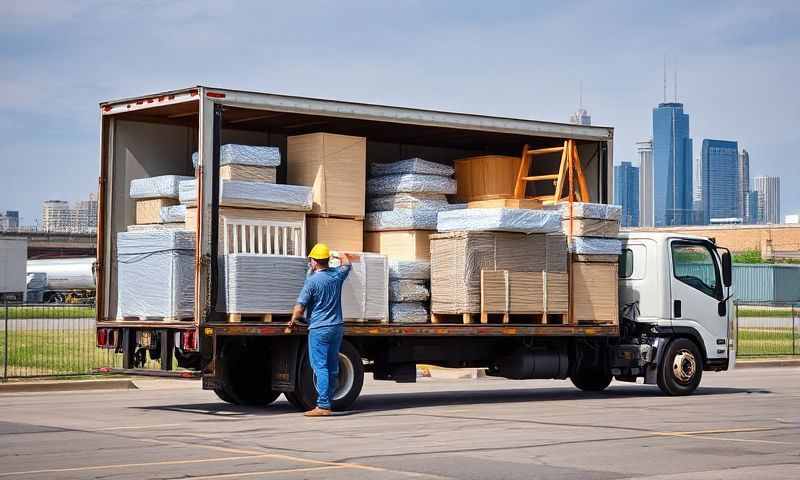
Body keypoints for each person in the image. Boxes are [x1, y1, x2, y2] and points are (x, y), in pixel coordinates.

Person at [290, 243, 357, 417]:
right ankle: (329, 400)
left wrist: (293, 320)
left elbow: (300, 307)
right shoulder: (336, 276)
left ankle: (323, 406)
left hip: (319, 328)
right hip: (336, 327)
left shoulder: (312, 282)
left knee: (320, 367)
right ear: (327, 260)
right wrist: (337, 254)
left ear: (313, 261)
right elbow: (347, 263)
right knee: (332, 365)